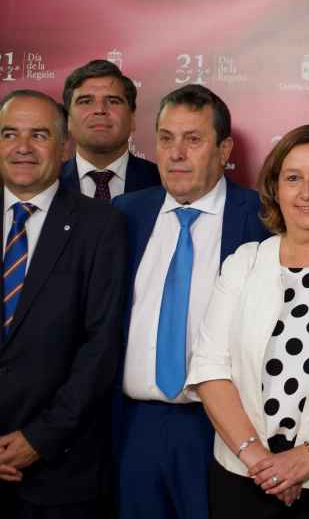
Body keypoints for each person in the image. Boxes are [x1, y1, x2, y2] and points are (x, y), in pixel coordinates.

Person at [188, 124, 309, 517]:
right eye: (293, 178)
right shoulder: (245, 262)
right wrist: (262, 465)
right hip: (242, 479)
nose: (307, 193)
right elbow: (210, 367)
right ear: (275, 188)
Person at [113, 84, 269, 518]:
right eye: (166, 139)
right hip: (133, 426)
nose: (176, 153)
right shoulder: (124, 214)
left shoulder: (262, 219)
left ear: (224, 150)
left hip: (221, 427)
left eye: (193, 139)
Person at [0, 90, 127, 518]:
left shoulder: (102, 225)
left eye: (38, 135)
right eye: (9, 134)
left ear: (64, 145)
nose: (22, 147)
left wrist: (39, 439)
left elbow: (101, 347)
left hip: (59, 472)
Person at [60, 59, 162, 200]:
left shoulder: (162, 182)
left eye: (113, 101)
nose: (100, 109)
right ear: (69, 120)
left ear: (132, 118)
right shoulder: (45, 183)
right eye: (86, 101)